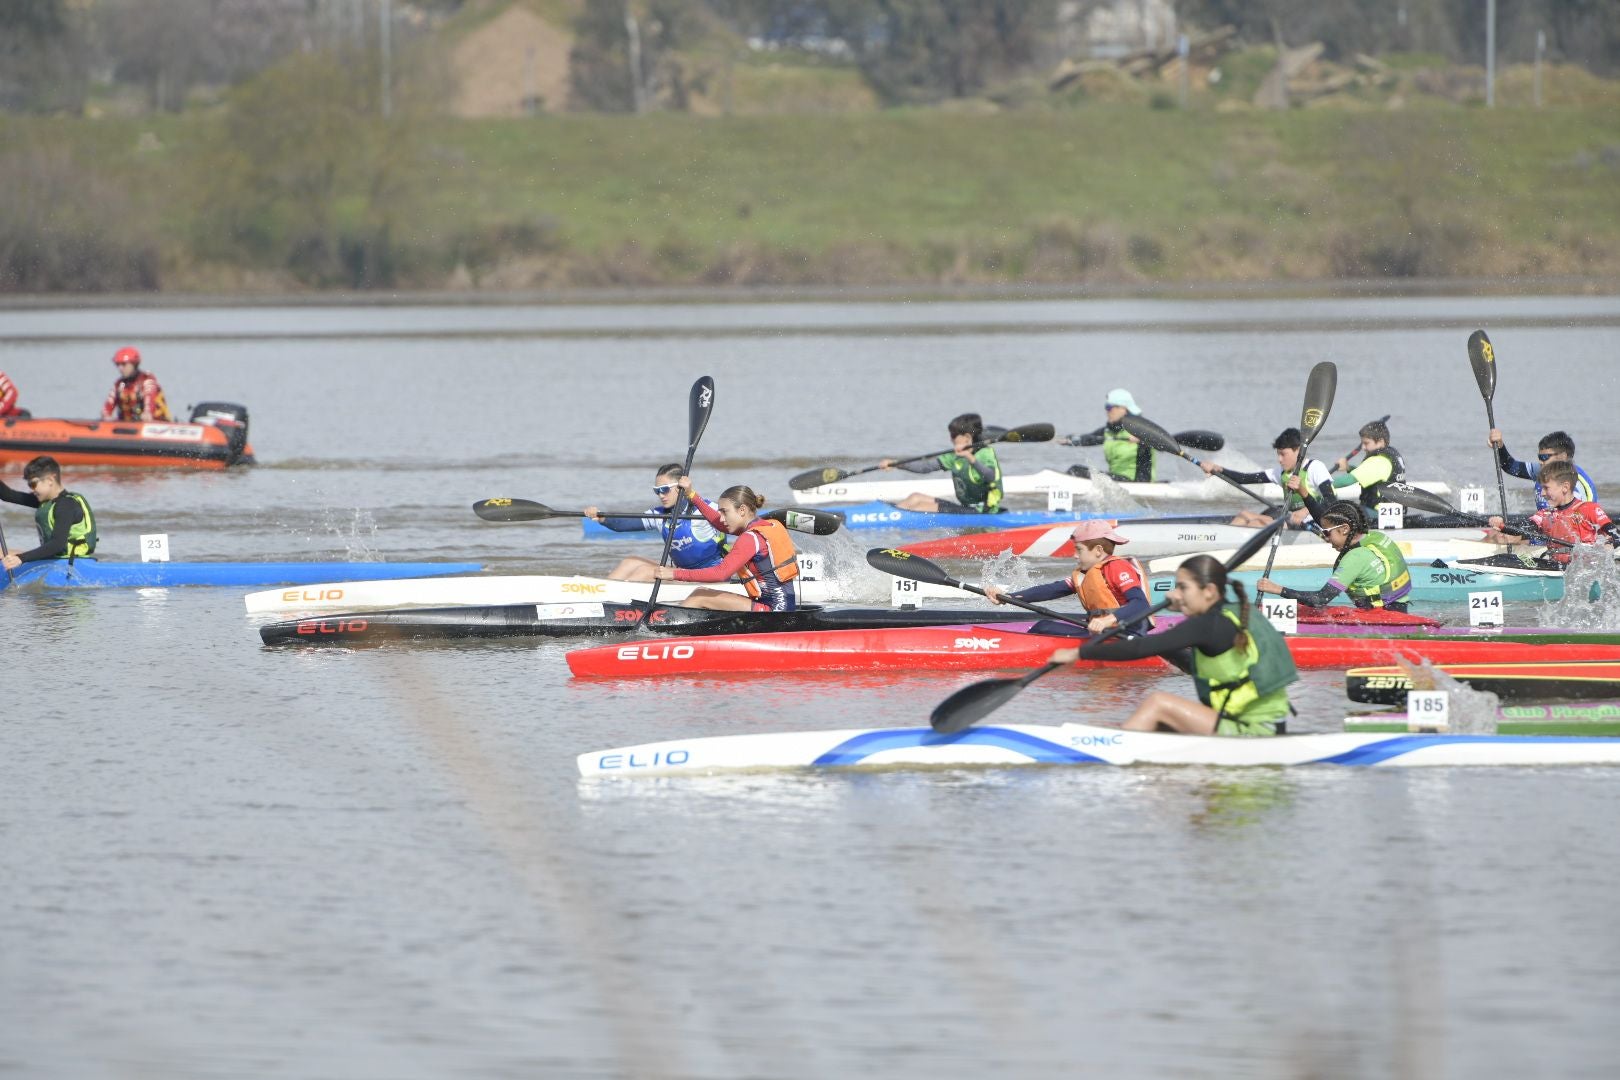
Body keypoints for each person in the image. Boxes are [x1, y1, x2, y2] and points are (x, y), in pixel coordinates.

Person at [1057, 554, 1298, 736]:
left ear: (1209, 591)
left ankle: (1111, 761)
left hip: (1253, 730)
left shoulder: (1208, 624)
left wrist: (1080, 652)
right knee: (1161, 722)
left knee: (1158, 702)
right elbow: (1177, 650)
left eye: (1183, 588)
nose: (1176, 594)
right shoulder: (1235, 613)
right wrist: (1181, 605)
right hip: (1269, 723)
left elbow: (1141, 648)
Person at [983, 519, 1153, 637]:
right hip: (1105, 634)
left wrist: (1107, 620)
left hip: (1125, 635)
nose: (1074, 555)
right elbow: (1051, 590)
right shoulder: (1085, 574)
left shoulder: (1116, 567)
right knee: (1043, 626)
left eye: (1079, 550)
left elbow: (1140, 604)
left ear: (1098, 551)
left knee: (1043, 627)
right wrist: (1008, 597)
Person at [652, 479, 799, 611]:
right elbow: (718, 523)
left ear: (742, 510)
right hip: (782, 606)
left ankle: (665, 631)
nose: (721, 518)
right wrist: (692, 495)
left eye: (724, 512)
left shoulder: (750, 538)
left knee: (699, 596)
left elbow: (721, 573)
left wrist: (674, 574)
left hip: (773, 611)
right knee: (701, 592)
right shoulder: (767, 526)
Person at [1255, 499, 1413, 611]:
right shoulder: (1375, 537)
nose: (1325, 537)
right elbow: (1329, 523)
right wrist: (1305, 494)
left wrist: (1276, 589)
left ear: (1345, 529)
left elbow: (1319, 600)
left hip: (1384, 618)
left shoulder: (1355, 558)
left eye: (1326, 532)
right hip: (1400, 607)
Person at [584, 464, 729, 581]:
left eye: (664, 489)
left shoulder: (705, 510)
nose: (660, 495)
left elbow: (738, 524)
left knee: (645, 572)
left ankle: (620, 605)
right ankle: (601, 595)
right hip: (683, 574)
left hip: (710, 577)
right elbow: (625, 524)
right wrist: (602, 517)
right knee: (630, 562)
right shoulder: (660, 515)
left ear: (680, 487)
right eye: (657, 491)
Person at [1482, 461, 1618, 568]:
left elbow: (1615, 534)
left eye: (1546, 488)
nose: (1542, 494)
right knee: (1507, 558)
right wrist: (1503, 526)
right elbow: (1525, 527)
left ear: (1565, 487)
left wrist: (1608, 546)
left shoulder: (1589, 509)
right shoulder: (1546, 514)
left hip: (1581, 569)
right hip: (1554, 566)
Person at [1201, 427, 1334, 528]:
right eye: (1278, 454)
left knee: (1257, 523)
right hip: (1291, 519)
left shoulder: (1315, 467)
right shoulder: (1281, 473)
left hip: (1312, 523)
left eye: (1283, 454)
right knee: (1244, 514)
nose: (1279, 459)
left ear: (1298, 450)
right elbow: (1244, 479)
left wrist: (1305, 511)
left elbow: (1331, 500)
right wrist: (1218, 469)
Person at [880, 413, 1004, 514]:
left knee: (919, 508)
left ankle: (895, 519)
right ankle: (888, 515)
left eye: (954, 435)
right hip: (966, 507)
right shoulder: (954, 456)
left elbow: (991, 477)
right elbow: (925, 467)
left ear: (966, 437)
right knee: (915, 497)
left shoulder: (986, 453)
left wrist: (970, 458)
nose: (951, 439)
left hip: (983, 511)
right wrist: (896, 464)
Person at [0, 455, 97, 570]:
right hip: (55, 559)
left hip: (72, 564)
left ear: (50, 480)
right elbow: (8, 495)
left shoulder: (66, 505)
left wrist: (20, 558)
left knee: (10, 556)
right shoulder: (46, 502)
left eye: (33, 484)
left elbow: (57, 544)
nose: (32, 489)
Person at [1058, 388, 1156, 482]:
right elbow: (1088, 439)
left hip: (1138, 482)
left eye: (1109, 407)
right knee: (1075, 471)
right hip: (1117, 481)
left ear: (1124, 409)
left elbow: (1165, 442)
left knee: (1076, 471)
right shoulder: (1108, 431)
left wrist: (1144, 440)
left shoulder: (1142, 430)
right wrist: (1065, 440)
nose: (1107, 411)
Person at [1488, 428, 1597, 509]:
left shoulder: (1577, 485)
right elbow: (1510, 467)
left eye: (1544, 457)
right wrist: (1500, 447)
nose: (1540, 462)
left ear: (1563, 456)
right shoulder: (1544, 470)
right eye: (1539, 457)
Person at [1326, 419, 1404, 521]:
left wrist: (1320, 484)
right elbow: (1369, 475)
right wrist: (1348, 468)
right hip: (1389, 513)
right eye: (1362, 443)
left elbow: (1347, 481)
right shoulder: (1389, 457)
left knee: (1335, 510)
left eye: (1366, 443)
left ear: (1380, 442)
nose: (1363, 447)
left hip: (1379, 515)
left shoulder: (1378, 461)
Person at [102, 346, 171, 422]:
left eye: (124, 364)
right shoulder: (119, 385)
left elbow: (150, 398)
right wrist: (106, 415)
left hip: (156, 423)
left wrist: (147, 413)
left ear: (134, 364)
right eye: (118, 365)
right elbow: (107, 408)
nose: (120, 368)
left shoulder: (147, 380)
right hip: (126, 425)